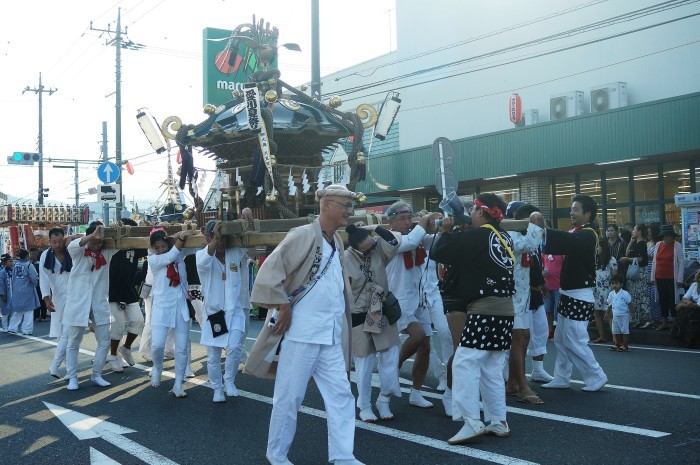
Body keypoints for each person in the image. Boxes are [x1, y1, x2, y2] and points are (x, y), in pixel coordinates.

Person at [249, 184, 364, 465]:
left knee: (341, 396)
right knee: (289, 398)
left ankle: (342, 455)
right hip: (302, 333)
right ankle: (276, 454)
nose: (350, 211)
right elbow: (270, 271)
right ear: (327, 206)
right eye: (345, 205)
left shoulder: (336, 240)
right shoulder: (302, 235)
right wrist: (283, 305)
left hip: (330, 335)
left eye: (351, 206)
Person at [431, 193, 531, 443]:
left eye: (474, 210)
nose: (471, 214)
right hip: (506, 310)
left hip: (484, 308)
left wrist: (447, 229)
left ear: (481, 212)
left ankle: (471, 420)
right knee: (491, 367)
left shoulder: (477, 235)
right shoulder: (503, 236)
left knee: (464, 362)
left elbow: (440, 252)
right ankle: (498, 420)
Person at [541, 194, 608, 392]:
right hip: (569, 293)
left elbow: (567, 240)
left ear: (587, 214)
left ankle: (596, 375)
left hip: (580, 294)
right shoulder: (578, 232)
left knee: (575, 339)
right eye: (571, 209)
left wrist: (543, 231)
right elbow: (566, 239)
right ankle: (562, 377)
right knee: (561, 338)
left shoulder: (589, 234)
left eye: (575, 209)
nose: (571, 212)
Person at [345, 222, 402, 422]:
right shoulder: (344, 259)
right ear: (355, 249)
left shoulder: (378, 248)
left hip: (382, 310)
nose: (371, 249)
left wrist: (376, 228)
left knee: (391, 358)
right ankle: (364, 404)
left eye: (372, 244)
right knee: (364, 364)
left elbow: (394, 240)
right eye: (366, 249)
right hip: (360, 315)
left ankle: (384, 400)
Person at [385, 201, 437, 409]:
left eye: (409, 217)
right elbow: (410, 243)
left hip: (419, 299)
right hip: (398, 301)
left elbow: (434, 240)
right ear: (390, 222)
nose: (408, 222)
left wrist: (439, 223)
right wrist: (423, 223)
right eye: (402, 219)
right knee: (418, 336)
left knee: (425, 347)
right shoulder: (388, 238)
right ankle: (391, 370)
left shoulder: (416, 237)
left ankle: (416, 392)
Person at [196, 220, 248, 403]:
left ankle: (229, 381)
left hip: (234, 312)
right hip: (215, 314)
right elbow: (203, 262)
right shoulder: (202, 256)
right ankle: (217, 388)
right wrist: (215, 240)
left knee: (235, 348)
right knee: (213, 356)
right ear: (208, 237)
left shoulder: (234, 253)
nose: (221, 242)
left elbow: (249, 240)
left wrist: (245, 217)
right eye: (217, 237)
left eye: (224, 238)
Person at [63, 222, 115, 390]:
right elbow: (72, 244)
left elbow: (122, 242)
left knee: (104, 340)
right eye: (94, 241)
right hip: (78, 303)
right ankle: (72, 377)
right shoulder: (78, 252)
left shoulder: (106, 252)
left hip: (99, 303)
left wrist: (115, 229)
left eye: (100, 242)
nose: (97, 244)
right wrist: (90, 237)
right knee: (74, 341)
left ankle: (96, 375)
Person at [504, 202, 545, 405]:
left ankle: (512, 382)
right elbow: (530, 244)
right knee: (518, 339)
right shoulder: (511, 237)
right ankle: (522, 387)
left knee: (524, 337)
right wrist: (536, 223)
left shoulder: (521, 236)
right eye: (529, 222)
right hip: (510, 298)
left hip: (522, 298)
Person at [147, 228, 195, 397]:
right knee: (157, 345)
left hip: (180, 307)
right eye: (157, 247)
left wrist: (191, 234)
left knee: (181, 348)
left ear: (168, 244)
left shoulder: (178, 256)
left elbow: (198, 247)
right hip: (161, 308)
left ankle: (178, 384)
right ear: (153, 249)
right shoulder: (153, 260)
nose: (161, 250)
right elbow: (169, 256)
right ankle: (158, 367)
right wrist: (180, 238)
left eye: (163, 246)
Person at [107, 219, 147, 372]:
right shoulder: (111, 243)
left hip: (128, 289)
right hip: (112, 289)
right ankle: (112, 355)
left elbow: (148, 245)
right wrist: (112, 231)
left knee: (138, 321)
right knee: (118, 324)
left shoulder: (135, 246)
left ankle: (126, 348)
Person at [40, 227, 81, 378]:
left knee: (68, 333)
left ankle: (55, 366)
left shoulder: (71, 250)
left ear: (64, 240)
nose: (57, 245)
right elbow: (43, 279)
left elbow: (86, 236)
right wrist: (46, 298)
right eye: (54, 242)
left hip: (74, 296)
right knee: (61, 334)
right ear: (49, 241)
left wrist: (73, 236)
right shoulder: (45, 255)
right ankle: (69, 370)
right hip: (57, 298)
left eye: (60, 241)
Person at [651, 225, 684, 331]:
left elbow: (681, 263)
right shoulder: (658, 245)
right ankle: (664, 321)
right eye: (668, 236)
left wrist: (680, 279)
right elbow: (654, 262)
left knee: (673, 299)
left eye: (671, 236)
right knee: (663, 299)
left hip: (672, 277)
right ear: (664, 236)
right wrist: (652, 277)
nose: (670, 238)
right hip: (659, 276)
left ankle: (675, 322)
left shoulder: (677, 245)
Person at [618, 224, 649, 327]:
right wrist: (631, 242)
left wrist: (627, 260)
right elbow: (627, 253)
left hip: (640, 273)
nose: (632, 231)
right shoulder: (636, 243)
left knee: (642, 296)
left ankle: (646, 319)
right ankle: (638, 319)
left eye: (635, 230)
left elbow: (640, 259)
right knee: (635, 296)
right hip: (635, 274)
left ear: (639, 231)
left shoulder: (642, 244)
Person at [6, 249, 40, 335]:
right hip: (27, 290)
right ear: (26, 256)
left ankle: (12, 328)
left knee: (18, 311)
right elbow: (34, 278)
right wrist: (34, 284)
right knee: (28, 311)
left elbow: (13, 278)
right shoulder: (29, 265)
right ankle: (27, 330)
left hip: (17, 291)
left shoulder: (15, 265)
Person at [592, 240, 617, 343]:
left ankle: (615, 338)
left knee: (609, 313)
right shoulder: (594, 260)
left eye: (598, 246)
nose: (597, 249)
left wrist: (614, 290)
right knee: (597, 313)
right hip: (596, 290)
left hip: (607, 290)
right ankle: (602, 336)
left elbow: (615, 276)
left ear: (604, 247)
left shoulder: (611, 260)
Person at [607, 275, 634, 352]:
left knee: (625, 330)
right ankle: (617, 344)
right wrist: (607, 313)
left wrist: (632, 313)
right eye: (612, 283)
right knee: (616, 330)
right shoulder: (611, 294)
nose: (614, 285)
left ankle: (625, 345)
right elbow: (610, 304)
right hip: (615, 315)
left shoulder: (625, 294)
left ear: (621, 284)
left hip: (624, 315)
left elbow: (630, 303)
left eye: (616, 283)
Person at [542, 249, 563, 340]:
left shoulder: (561, 253)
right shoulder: (544, 253)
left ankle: (558, 332)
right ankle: (550, 331)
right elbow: (541, 266)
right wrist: (542, 273)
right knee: (547, 310)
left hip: (559, 285)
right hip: (547, 285)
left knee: (558, 310)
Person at [31, 247, 49, 323]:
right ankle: (42, 316)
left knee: (38, 300)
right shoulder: (41, 265)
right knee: (42, 300)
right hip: (40, 285)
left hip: (37, 285)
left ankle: (38, 316)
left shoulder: (34, 265)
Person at [0, 253, 14, 332]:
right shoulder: (2, 272)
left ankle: (11, 327)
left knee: (13, 312)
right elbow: (1, 284)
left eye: (12, 261)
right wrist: (2, 294)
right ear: (5, 262)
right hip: (6, 294)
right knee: (5, 312)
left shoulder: (13, 271)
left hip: (13, 294)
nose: (11, 263)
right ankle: (5, 327)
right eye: (10, 261)